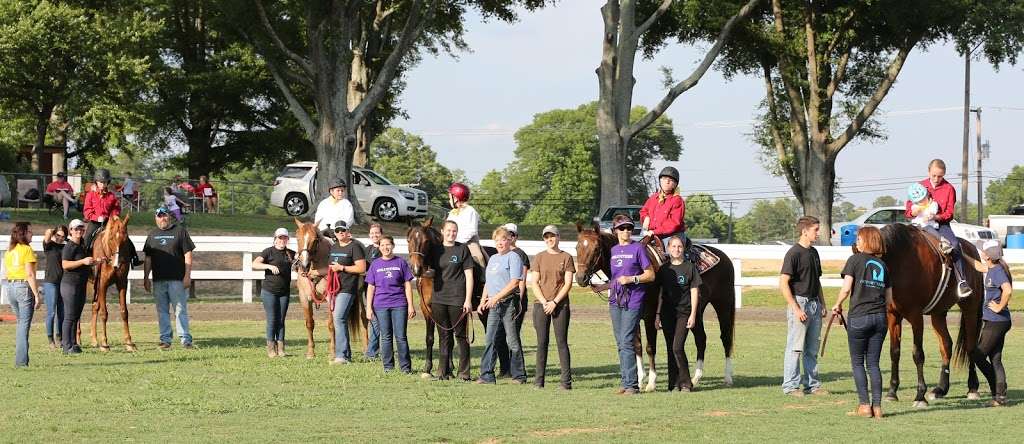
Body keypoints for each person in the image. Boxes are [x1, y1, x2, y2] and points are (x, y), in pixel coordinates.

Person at [831, 226, 892, 418]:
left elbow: (846, 288)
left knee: (857, 363)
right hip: (880, 319)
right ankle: (878, 408)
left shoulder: (854, 260)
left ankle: (864, 406)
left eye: (859, 239)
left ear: (866, 241)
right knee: (873, 364)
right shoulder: (883, 265)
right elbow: (889, 299)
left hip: (859, 317)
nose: (856, 242)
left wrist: (837, 304)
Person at [905, 159, 972, 298]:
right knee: (902, 242)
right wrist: (914, 212)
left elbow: (949, 214)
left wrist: (935, 217)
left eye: (940, 176)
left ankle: (962, 281)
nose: (936, 179)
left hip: (940, 225)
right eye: (934, 175)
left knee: (954, 245)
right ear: (928, 172)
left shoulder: (949, 189)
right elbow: (907, 212)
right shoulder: (918, 187)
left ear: (944, 174)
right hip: (918, 223)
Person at [606, 214, 656, 394]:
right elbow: (615, 277)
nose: (626, 231)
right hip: (615, 300)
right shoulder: (613, 251)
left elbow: (650, 275)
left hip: (633, 301)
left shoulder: (638, 249)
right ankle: (625, 381)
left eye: (629, 228)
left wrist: (632, 278)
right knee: (620, 342)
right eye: (622, 228)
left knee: (627, 340)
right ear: (615, 231)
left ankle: (632, 385)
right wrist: (604, 286)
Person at [780, 216, 828, 397]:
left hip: (814, 303)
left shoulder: (814, 253)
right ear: (804, 231)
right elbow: (784, 283)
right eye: (815, 229)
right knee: (795, 347)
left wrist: (822, 303)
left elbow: (817, 280)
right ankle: (791, 386)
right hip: (800, 303)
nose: (818, 233)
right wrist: (796, 308)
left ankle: (812, 385)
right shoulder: (794, 254)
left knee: (812, 348)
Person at [475, 226, 527, 384]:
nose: (500, 243)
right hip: (493, 305)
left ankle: (519, 375)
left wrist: (496, 297)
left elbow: (514, 283)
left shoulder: (514, 257)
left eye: (503, 239)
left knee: (512, 341)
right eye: (497, 240)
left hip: (508, 304)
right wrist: (483, 300)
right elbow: (488, 283)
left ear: (509, 240)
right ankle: (487, 375)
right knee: (490, 339)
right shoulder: (493, 259)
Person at [528, 224, 575, 390]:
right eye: (546, 237)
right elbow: (534, 282)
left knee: (562, 342)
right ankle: (539, 381)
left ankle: (566, 382)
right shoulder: (539, 257)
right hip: (541, 305)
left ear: (558, 237)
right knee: (542, 343)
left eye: (552, 236)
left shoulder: (567, 257)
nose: (550, 239)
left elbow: (568, 283)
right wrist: (544, 302)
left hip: (560, 305)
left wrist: (554, 302)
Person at [143, 206, 196, 350]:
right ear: (155, 218)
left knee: (180, 310)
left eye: (164, 215)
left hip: (177, 279)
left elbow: (188, 255)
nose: (162, 218)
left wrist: (187, 275)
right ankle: (165, 340)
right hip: (158, 280)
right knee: (162, 311)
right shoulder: (152, 234)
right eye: (159, 216)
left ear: (169, 216)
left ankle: (185, 339)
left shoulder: (180, 231)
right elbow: (148, 258)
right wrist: (145, 277)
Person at [969, 240, 1013, 407]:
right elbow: (978, 267)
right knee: (995, 359)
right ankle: (999, 397)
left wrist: (999, 307)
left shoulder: (998, 272)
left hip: (997, 321)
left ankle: (997, 390)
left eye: (983, 251)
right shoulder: (992, 268)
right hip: (997, 321)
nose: (981, 253)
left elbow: (1007, 290)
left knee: (978, 355)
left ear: (988, 255)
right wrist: (959, 253)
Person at [430, 220, 475, 381]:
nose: (451, 233)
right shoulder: (435, 250)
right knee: (443, 335)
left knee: (461, 336)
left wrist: (468, 300)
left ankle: (464, 373)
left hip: (457, 299)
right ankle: (443, 372)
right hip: (438, 299)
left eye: (454, 231)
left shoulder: (462, 249)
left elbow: (469, 276)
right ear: (442, 231)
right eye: (448, 230)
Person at [656, 235, 701, 392]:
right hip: (667, 314)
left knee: (677, 347)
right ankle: (673, 383)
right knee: (670, 348)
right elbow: (660, 293)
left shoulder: (690, 268)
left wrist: (693, 314)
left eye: (679, 246)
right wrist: (657, 315)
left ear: (683, 249)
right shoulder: (664, 269)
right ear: (668, 249)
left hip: (684, 313)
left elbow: (694, 291)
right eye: (673, 246)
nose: (676, 249)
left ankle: (686, 382)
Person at [365, 236, 416, 373]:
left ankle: (405, 367)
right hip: (380, 305)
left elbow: (407, 285)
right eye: (382, 245)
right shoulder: (375, 264)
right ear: (379, 247)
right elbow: (371, 287)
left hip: (399, 304)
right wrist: (368, 307)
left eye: (388, 244)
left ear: (393, 246)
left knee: (401, 336)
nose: (385, 247)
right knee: (386, 337)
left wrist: (410, 305)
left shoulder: (401, 262)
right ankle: (388, 367)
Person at [492, 222, 529, 378]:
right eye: (507, 234)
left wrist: (518, 302)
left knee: (512, 337)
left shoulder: (519, 255)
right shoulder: (498, 255)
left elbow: (521, 281)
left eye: (512, 235)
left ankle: (518, 372)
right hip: (498, 301)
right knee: (498, 337)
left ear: (515, 237)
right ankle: (505, 369)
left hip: (514, 300)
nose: (509, 237)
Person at [327, 220, 366, 364]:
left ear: (348, 231)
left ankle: (341, 355)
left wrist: (342, 268)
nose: (340, 232)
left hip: (348, 287)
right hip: (335, 288)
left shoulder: (354, 247)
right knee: (339, 319)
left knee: (338, 318)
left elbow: (361, 268)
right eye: (337, 231)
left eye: (343, 230)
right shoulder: (334, 246)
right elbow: (331, 267)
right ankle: (345, 354)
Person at [253, 228, 295, 358]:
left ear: (288, 239)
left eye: (285, 238)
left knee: (281, 320)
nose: (282, 240)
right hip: (269, 291)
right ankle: (271, 348)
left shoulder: (291, 254)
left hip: (284, 292)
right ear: (275, 238)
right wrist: (269, 266)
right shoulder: (268, 252)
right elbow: (255, 264)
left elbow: (302, 262)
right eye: (280, 238)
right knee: (272, 319)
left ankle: (281, 348)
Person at [4, 222, 41, 367]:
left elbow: (7, 272)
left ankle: (21, 359)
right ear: (23, 234)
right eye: (30, 232)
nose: (31, 234)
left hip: (11, 287)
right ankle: (21, 361)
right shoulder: (26, 249)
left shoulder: (10, 250)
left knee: (20, 323)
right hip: (23, 287)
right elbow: (30, 274)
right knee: (24, 325)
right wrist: (36, 294)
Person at [60, 219, 94, 355]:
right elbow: (65, 265)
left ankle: (73, 343)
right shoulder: (70, 246)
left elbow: (84, 264)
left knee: (76, 316)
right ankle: (66, 346)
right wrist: (83, 261)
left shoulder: (82, 246)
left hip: (80, 285)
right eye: (76, 229)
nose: (79, 231)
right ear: (71, 231)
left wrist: (94, 262)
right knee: (69, 316)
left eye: (81, 229)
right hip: (70, 285)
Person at [640, 166, 687, 251]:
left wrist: (654, 232)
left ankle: (678, 264)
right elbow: (644, 211)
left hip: (670, 235)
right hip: (649, 233)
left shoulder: (677, 200)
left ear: (675, 184)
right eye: (664, 178)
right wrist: (645, 217)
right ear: (660, 180)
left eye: (671, 180)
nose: (667, 181)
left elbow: (674, 223)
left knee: (672, 254)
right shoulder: (653, 198)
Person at [446, 182, 488, 268]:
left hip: (469, 243)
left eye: (450, 198)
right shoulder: (452, 212)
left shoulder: (470, 211)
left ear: (456, 198)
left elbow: (471, 231)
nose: (449, 200)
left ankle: (483, 276)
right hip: (451, 241)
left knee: (478, 257)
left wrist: (457, 240)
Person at [42, 225, 68, 349]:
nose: (60, 238)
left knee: (61, 312)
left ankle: (60, 337)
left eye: (63, 236)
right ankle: (50, 339)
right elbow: (47, 233)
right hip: (50, 282)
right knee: (51, 312)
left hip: (63, 282)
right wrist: (53, 232)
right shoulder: (49, 245)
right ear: (54, 234)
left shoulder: (66, 246)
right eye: (58, 235)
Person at [906, 183, 949, 251]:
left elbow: (932, 212)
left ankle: (943, 241)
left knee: (930, 230)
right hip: (916, 225)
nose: (921, 202)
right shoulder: (915, 206)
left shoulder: (933, 204)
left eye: (923, 199)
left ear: (927, 195)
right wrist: (915, 212)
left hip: (927, 225)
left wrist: (929, 216)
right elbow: (912, 211)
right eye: (919, 201)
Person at [363, 223, 384, 359]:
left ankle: (372, 352)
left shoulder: (385, 248)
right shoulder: (367, 250)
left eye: (377, 233)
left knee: (378, 321)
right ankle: (375, 350)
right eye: (372, 233)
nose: (374, 235)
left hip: (383, 290)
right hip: (369, 289)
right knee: (374, 320)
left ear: (381, 234)